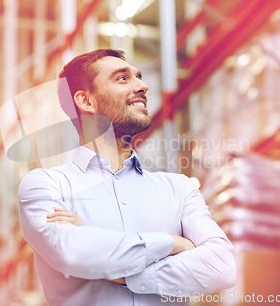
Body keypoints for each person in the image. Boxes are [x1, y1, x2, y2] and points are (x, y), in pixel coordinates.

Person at [18, 49, 236, 306]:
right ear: (86, 101)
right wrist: (174, 243)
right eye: (122, 78)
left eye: (139, 77)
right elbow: (72, 254)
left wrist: (117, 269)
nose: (142, 86)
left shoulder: (179, 188)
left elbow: (222, 267)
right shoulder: (46, 186)